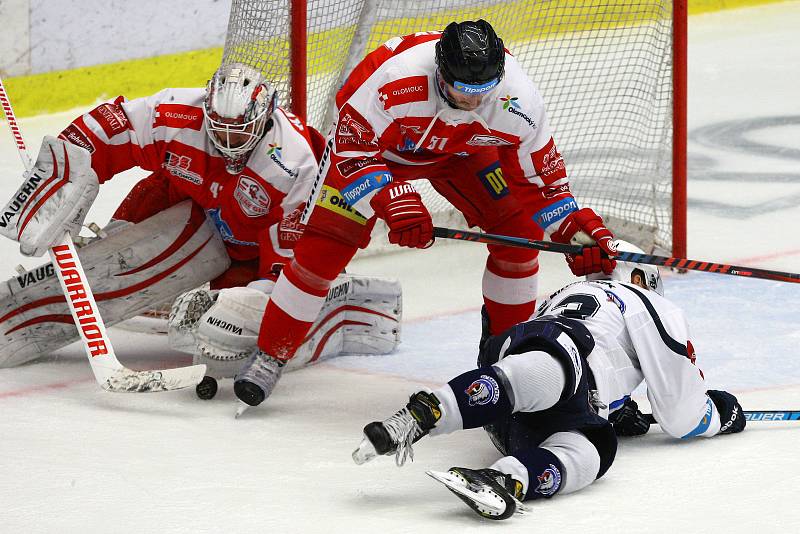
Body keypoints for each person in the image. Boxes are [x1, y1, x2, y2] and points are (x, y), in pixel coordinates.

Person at [232, 19, 619, 411]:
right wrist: (391, 200)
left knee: (519, 236)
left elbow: (541, 184)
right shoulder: (394, 82)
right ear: (441, 72)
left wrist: (574, 232)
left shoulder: (517, 101)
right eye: (462, 91)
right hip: (377, 155)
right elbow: (351, 153)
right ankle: (270, 355)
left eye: (482, 92)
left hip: (461, 153)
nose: (472, 101)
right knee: (322, 251)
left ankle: (508, 356)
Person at [351, 240, 746, 520]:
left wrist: (619, 411)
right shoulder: (647, 301)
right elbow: (682, 413)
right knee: (556, 371)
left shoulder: (568, 290)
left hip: (513, 392)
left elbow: (611, 361)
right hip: (557, 357)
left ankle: (504, 476)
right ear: (642, 277)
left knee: (593, 446)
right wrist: (721, 412)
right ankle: (433, 419)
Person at [0, 62, 322, 291]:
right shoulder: (178, 113)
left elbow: (288, 258)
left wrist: (262, 297)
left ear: (264, 122)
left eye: (236, 136)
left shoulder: (293, 164)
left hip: (247, 254)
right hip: (185, 204)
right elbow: (114, 125)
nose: (226, 145)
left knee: (230, 318)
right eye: (218, 131)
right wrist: (63, 169)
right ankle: (106, 266)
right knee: (153, 194)